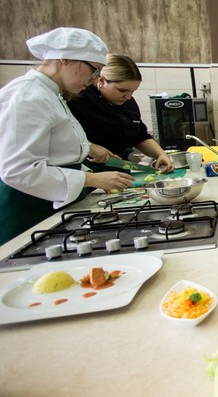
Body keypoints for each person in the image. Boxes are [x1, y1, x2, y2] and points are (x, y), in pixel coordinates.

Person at [0, 28, 136, 245]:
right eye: (94, 70)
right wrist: (92, 179)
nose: (94, 80)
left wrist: (87, 147)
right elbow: (19, 170)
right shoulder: (27, 96)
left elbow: (55, 143)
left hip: (45, 202)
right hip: (26, 209)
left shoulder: (51, 93)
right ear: (65, 59)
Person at [68, 54, 175, 174]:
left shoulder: (128, 103)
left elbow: (140, 136)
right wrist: (89, 147)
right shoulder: (79, 99)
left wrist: (160, 154)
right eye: (122, 90)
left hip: (121, 171)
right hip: (87, 173)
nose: (128, 96)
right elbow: (63, 137)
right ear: (101, 80)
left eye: (132, 91)